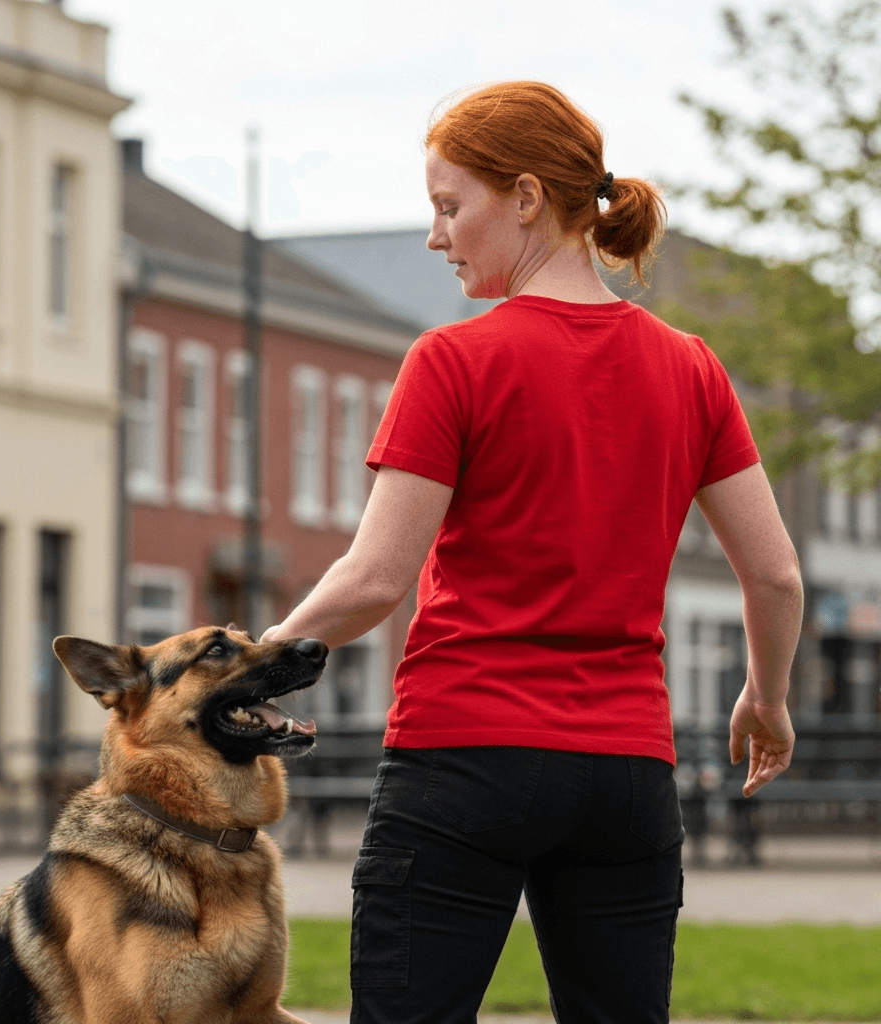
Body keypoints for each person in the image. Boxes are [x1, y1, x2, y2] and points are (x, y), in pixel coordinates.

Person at [261, 81, 802, 1024]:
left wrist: (252, 661)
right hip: (628, 773)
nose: (437, 236)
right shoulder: (692, 366)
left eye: (447, 206)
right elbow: (777, 574)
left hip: (464, 758)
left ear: (523, 196)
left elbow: (375, 579)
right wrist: (767, 696)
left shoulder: (454, 360)